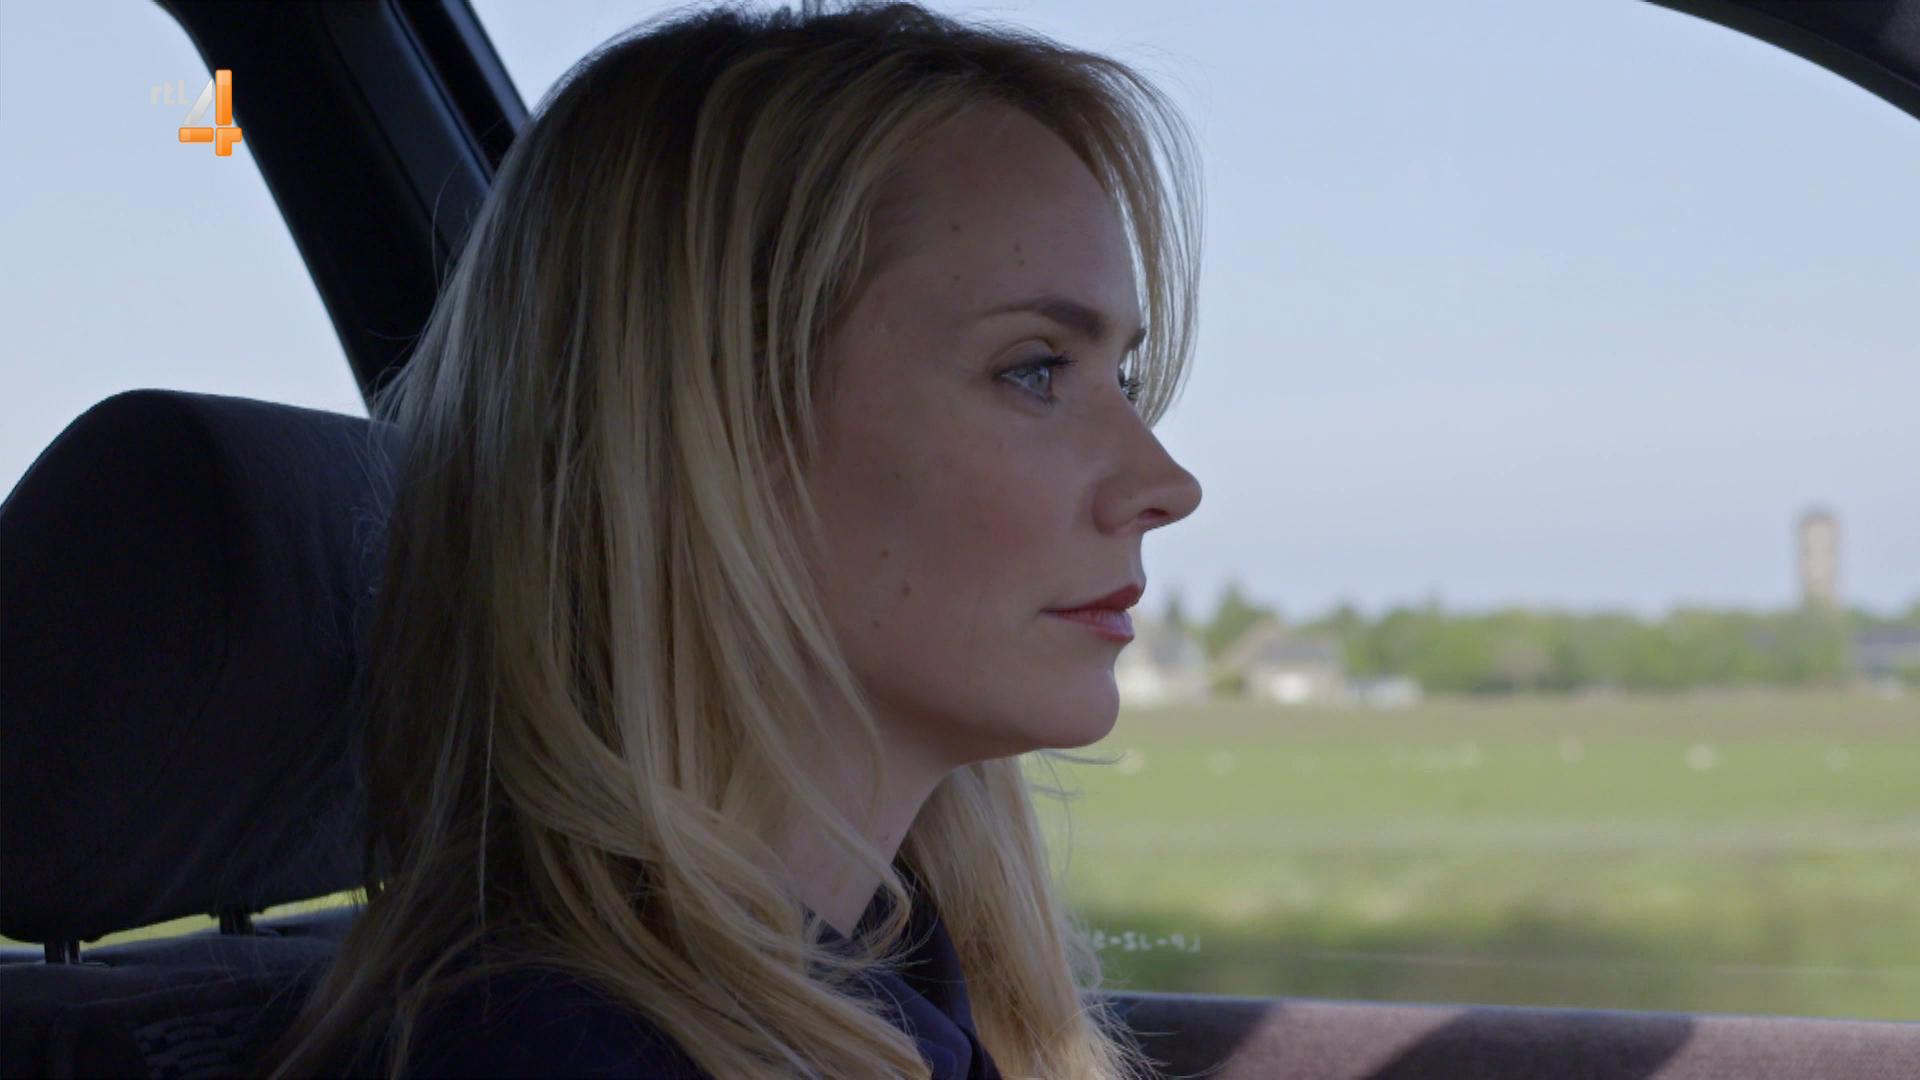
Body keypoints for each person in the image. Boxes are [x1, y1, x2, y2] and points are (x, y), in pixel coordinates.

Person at [263, 1, 1203, 1076]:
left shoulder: (896, 981)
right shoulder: (556, 1056)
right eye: (1033, 370)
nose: (1166, 486)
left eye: (1124, 378)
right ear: (704, 430)